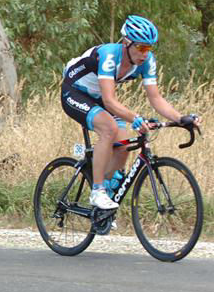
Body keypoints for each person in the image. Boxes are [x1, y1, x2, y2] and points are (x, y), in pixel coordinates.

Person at [61, 15, 201, 210]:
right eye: (141, 47)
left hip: (98, 96)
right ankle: (97, 191)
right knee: (108, 129)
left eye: (149, 48)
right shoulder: (109, 56)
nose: (145, 53)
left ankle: (103, 202)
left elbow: (156, 99)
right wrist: (135, 118)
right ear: (127, 42)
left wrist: (180, 118)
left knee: (123, 146)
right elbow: (109, 101)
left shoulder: (146, 61)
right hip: (75, 91)